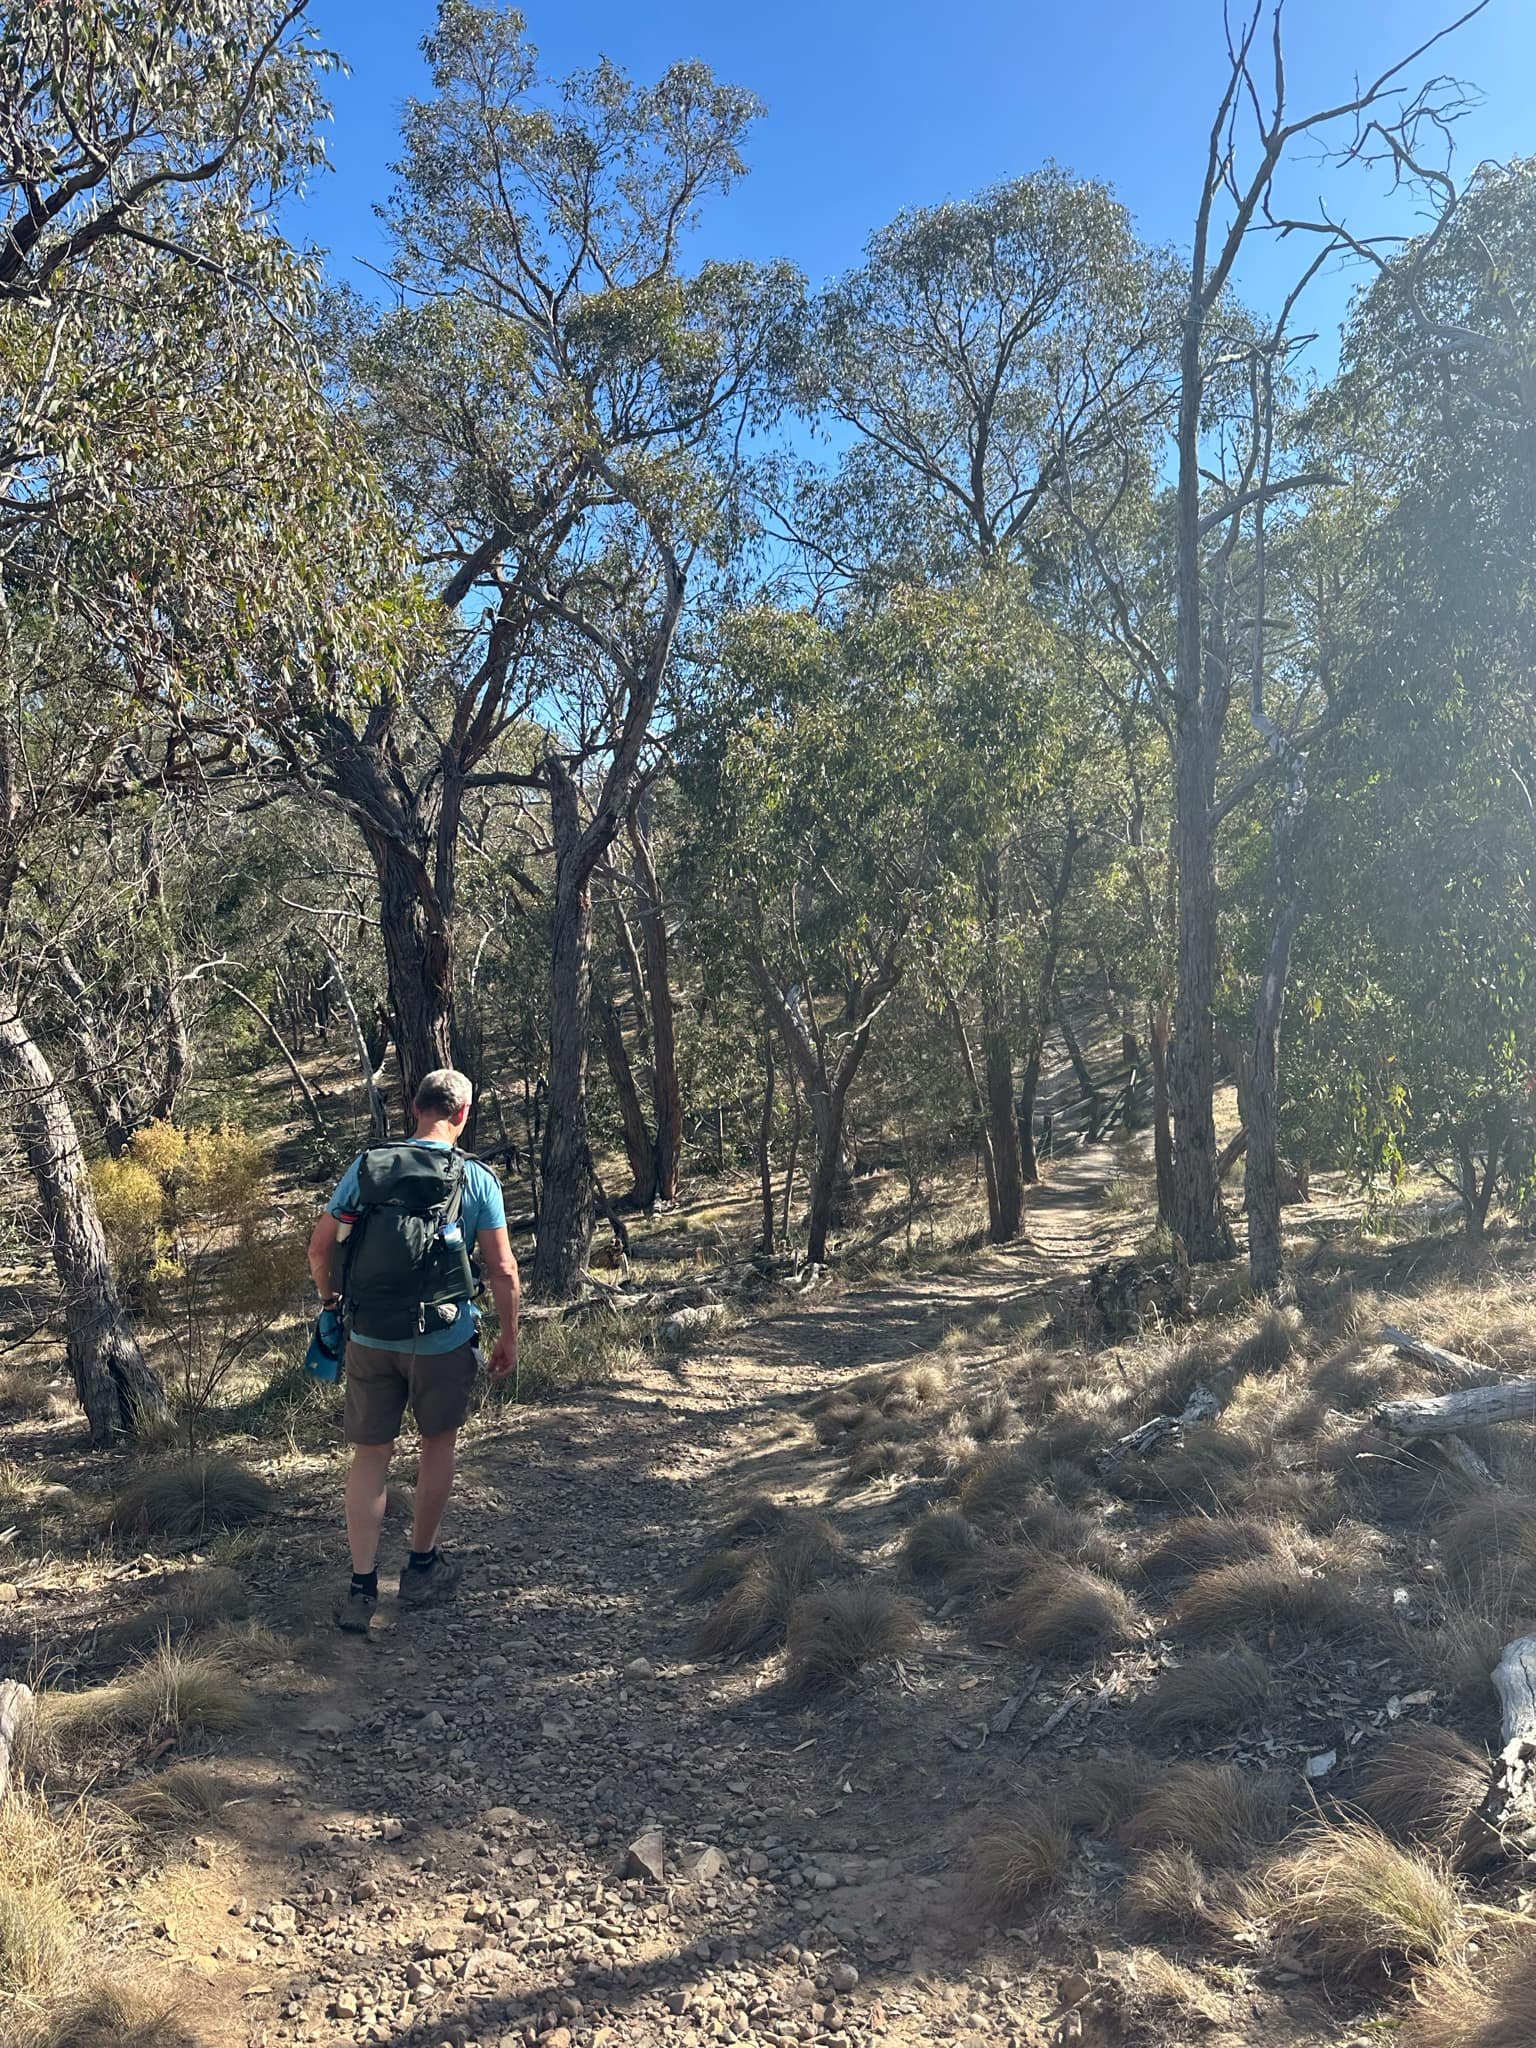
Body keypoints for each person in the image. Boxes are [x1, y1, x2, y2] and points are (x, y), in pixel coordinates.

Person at [306, 1068, 520, 1632]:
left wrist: (333, 1302)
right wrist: (508, 1335)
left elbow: (320, 1247)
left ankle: (360, 1587)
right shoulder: (475, 1178)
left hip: (370, 1334)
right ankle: (422, 1567)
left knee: (370, 1456)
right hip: (443, 1337)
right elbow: (500, 1268)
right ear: (463, 1114)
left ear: (413, 1106)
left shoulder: (367, 1167)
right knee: (436, 1443)